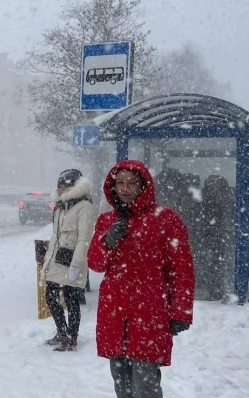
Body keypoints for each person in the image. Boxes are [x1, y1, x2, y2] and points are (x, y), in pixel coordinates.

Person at [88, 160, 195, 398]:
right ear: (113, 186)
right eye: (120, 183)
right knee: (122, 385)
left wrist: (180, 311)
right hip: (114, 314)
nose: (125, 189)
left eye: (132, 183)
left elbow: (182, 270)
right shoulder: (106, 221)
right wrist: (108, 241)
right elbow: (95, 264)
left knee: (146, 386)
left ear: (143, 186)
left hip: (149, 314)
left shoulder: (165, 219)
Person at [41, 169, 96, 352]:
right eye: (60, 186)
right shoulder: (60, 206)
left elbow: (84, 239)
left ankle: (72, 336)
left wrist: (76, 265)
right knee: (51, 295)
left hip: (72, 260)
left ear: (75, 186)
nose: (62, 189)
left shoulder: (84, 207)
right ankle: (61, 331)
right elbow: (55, 236)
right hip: (57, 259)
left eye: (66, 186)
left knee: (72, 300)